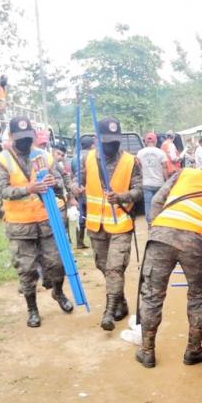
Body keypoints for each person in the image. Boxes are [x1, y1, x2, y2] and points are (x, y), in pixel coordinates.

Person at [135, 161, 202, 368]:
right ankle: (194, 350)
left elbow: (157, 199)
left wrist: (156, 229)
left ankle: (147, 351)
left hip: (160, 238)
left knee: (152, 294)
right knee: (198, 295)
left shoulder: (185, 173)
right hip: (194, 244)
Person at [0, 116, 75, 328]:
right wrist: (28, 189)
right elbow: (2, 191)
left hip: (47, 221)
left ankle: (58, 292)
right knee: (27, 269)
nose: (24, 142)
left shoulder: (44, 156)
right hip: (20, 225)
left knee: (57, 264)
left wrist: (53, 182)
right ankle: (32, 309)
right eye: (20, 138)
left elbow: (59, 182)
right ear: (11, 137)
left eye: (28, 137)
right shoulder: (3, 160)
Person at [72, 117, 143, 330]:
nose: (111, 145)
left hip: (120, 224)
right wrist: (75, 188)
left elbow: (139, 190)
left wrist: (121, 197)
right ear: (97, 139)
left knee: (114, 268)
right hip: (96, 225)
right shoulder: (87, 159)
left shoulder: (132, 161)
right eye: (106, 141)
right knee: (103, 266)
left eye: (114, 141)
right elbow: (75, 180)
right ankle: (120, 301)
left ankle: (109, 310)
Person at [137, 132, 170, 225]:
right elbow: (165, 168)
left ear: (145, 141)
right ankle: (160, 223)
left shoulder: (140, 153)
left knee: (148, 205)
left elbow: (138, 165)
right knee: (159, 204)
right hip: (159, 183)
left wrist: (143, 173)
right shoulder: (161, 152)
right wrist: (167, 181)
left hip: (146, 184)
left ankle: (150, 224)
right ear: (155, 141)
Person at [70, 136, 95, 249]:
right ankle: (94, 240)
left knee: (81, 216)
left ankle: (79, 241)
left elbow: (72, 173)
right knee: (92, 216)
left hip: (78, 189)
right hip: (90, 190)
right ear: (92, 145)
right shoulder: (91, 156)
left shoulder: (74, 157)